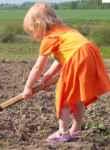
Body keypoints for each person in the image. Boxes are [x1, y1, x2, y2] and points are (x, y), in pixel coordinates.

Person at [23, 2, 110, 142]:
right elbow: (59, 60)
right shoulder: (66, 31)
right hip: (91, 53)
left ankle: (63, 132)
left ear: (39, 25)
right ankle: (76, 129)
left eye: (33, 30)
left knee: (64, 95)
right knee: (77, 97)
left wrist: (28, 87)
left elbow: (37, 67)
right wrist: (48, 76)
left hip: (78, 57)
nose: (34, 35)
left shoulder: (50, 38)